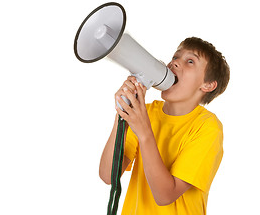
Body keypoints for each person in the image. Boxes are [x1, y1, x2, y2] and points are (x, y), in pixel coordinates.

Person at [99, 37, 230, 214]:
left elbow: (165, 195)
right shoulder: (147, 113)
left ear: (208, 85)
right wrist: (122, 114)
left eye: (190, 61)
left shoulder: (207, 127)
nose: (175, 63)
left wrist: (144, 132)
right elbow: (109, 175)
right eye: (175, 57)